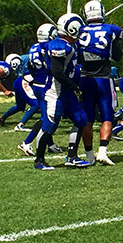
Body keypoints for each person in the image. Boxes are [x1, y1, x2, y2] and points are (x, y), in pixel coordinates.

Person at [33, 13, 90, 170]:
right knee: (50, 125)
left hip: (66, 91)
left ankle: (72, 157)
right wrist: (74, 86)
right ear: (72, 28)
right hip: (55, 91)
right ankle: (39, 160)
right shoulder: (58, 45)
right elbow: (57, 72)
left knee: (81, 119)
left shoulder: (70, 45)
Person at [78, 0, 123, 166]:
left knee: (88, 118)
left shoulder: (80, 30)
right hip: (103, 78)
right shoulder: (111, 30)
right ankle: (102, 151)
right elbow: (117, 55)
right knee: (107, 116)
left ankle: (89, 155)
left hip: (84, 78)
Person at [17, 23, 62, 157]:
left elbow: (31, 66)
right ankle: (26, 142)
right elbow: (52, 67)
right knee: (47, 118)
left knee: (47, 115)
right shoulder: (48, 47)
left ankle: (50, 144)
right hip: (45, 86)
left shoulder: (33, 47)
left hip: (36, 84)